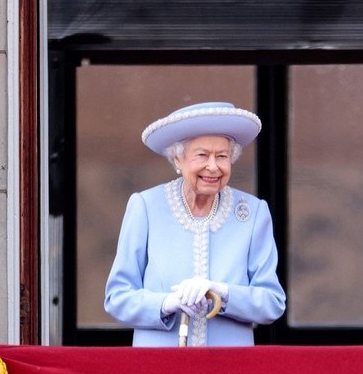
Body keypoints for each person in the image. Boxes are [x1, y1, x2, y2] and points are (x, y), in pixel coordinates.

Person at [104, 102, 286, 346]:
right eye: (202, 155)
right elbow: (117, 298)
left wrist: (221, 292)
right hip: (159, 367)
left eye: (222, 156)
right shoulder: (146, 206)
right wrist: (166, 303)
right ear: (178, 159)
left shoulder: (253, 213)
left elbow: (272, 303)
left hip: (230, 368)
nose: (213, 166)